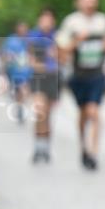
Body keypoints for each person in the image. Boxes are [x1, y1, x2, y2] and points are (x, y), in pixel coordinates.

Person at [56, 0, 105, 171]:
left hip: (97, 74)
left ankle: (93, 153)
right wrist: (77, 41)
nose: (90, 2)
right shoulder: (71, 22)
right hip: (78, 76)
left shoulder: (103, 21)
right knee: (83, 113)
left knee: (94, 112)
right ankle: (83, 146)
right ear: (79, 1)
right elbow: (61, 50)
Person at [28, 9, 60, 164]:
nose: (46, 22)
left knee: (48, 115)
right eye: (44, 19)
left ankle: (46, 148)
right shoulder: (34, 36)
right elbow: (32, 60)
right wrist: (43, 66)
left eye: (49, 19)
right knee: (39, 111)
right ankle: (38, 147)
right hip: (39, 78)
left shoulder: (58, 36)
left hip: (53, 79)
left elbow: (62, 59)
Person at [3, 21, 33, 123]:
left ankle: (21, 105)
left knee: (24, 89)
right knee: (18, 92)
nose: (23, 30)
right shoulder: (11, 40)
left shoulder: (30, 39)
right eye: (21, 28)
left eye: (25, 28)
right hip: (14, 71)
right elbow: (6, 54)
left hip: (27, 71)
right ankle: (19, 106)